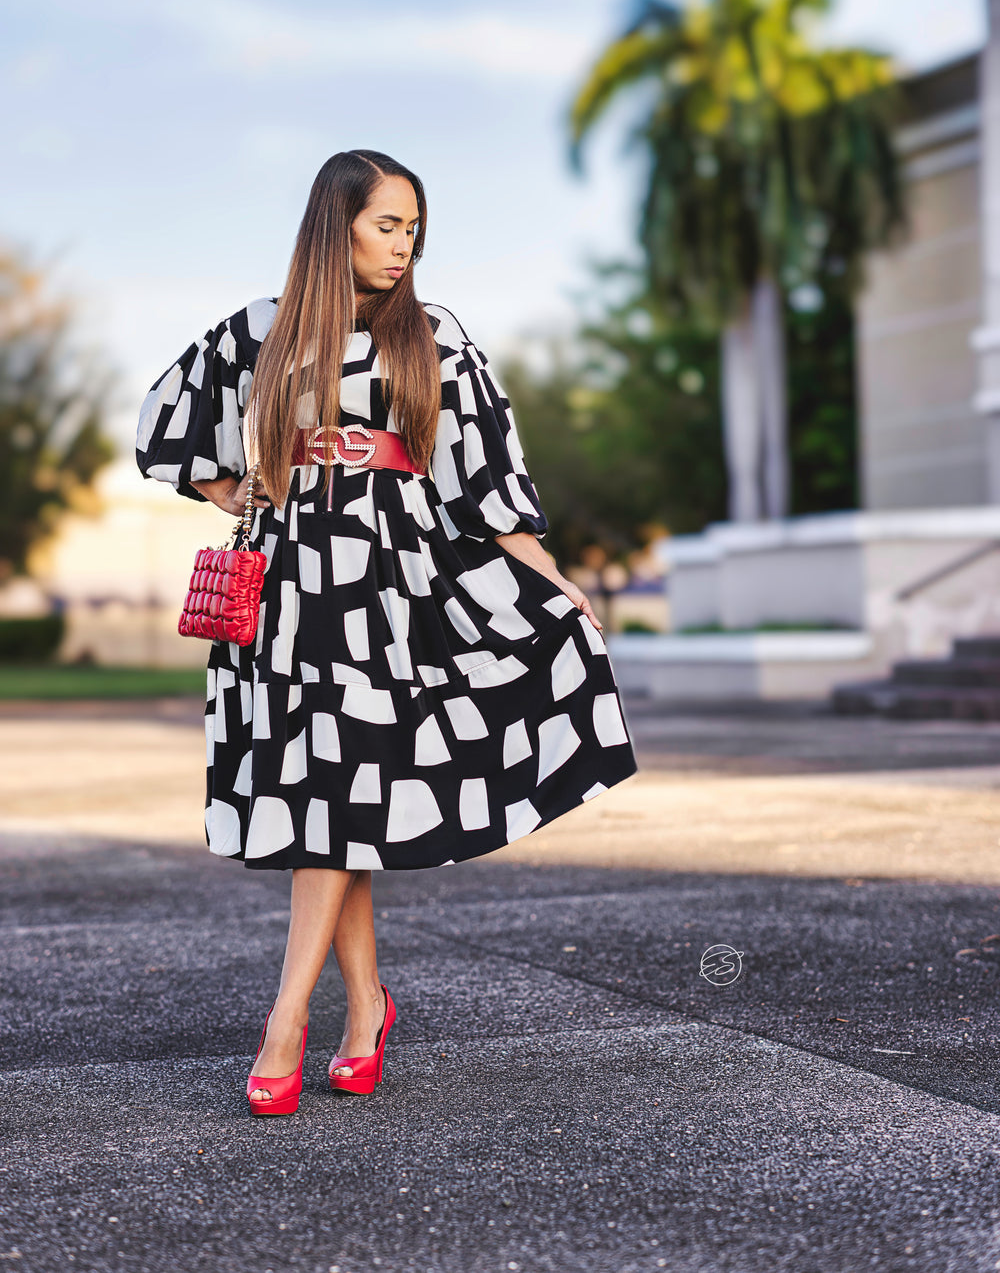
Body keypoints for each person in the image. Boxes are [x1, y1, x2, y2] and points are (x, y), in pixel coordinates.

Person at [135, 149, 639, 1115]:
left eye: (413, 227)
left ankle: (285, 1021)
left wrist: (550, 579)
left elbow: (489, 478)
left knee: (334, 786)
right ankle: (365, 1006)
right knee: (331, 793)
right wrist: (239, 492)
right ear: (337, 224)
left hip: (391, 584)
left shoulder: (437, 334)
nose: (403, 244)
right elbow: (168, 421)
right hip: (287, 583)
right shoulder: (261, 330)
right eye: (385, 224)